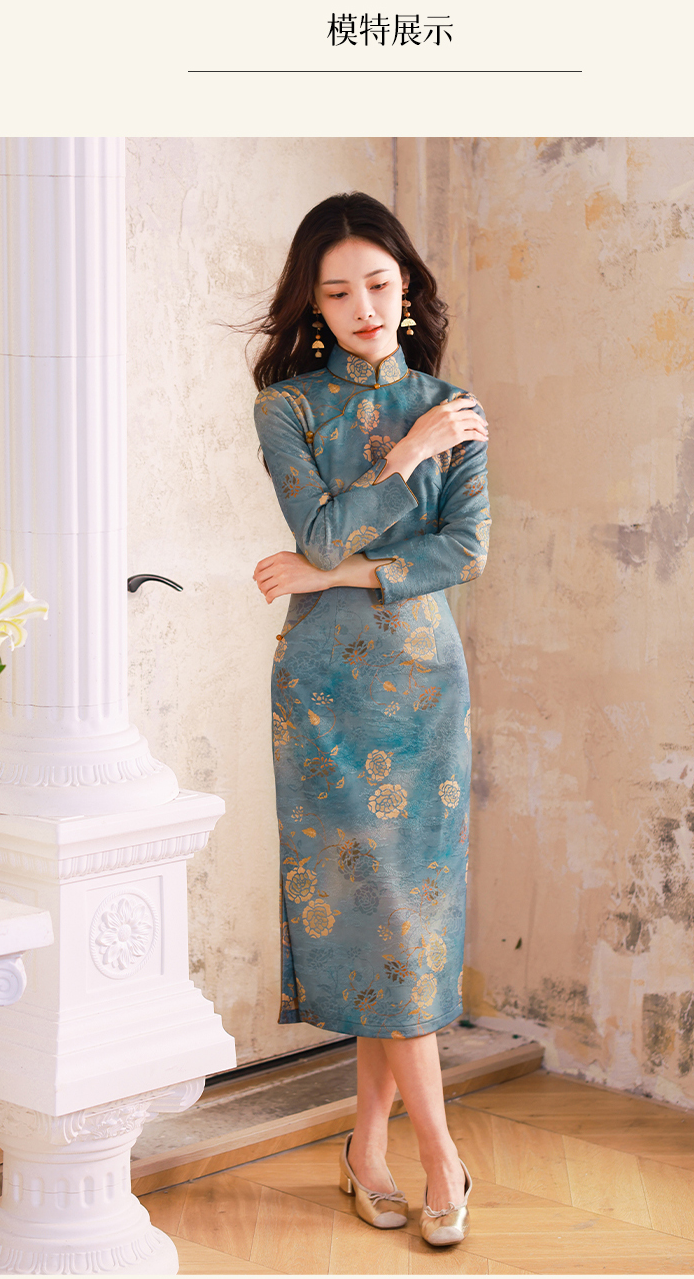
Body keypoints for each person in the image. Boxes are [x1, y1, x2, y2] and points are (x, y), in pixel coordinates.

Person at [250, 191, 490, 1247]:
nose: (363, 306)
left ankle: (368, 1149)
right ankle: (440, 1156)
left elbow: (464, 552)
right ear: (313, 303)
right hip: (323, 691)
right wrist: (405, 457)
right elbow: (313, 525)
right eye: (338, 290)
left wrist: (334, 571)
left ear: (407, 288)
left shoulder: (454, 405)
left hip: (425, 685)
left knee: (405, 928)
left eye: (380, 284)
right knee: (377, 922)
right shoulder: (288, 408)